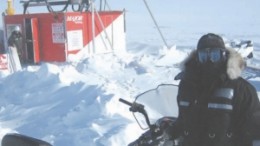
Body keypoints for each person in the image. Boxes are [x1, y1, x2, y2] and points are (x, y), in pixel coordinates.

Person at [169, 33, 260, 146]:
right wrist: (169, 131)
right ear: (197, 58)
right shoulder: (187, 85)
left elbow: (255, 129)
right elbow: (183, 120)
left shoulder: (241, 89)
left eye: (214, 55)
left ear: (224, 56)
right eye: (204, 56)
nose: (210, 61)